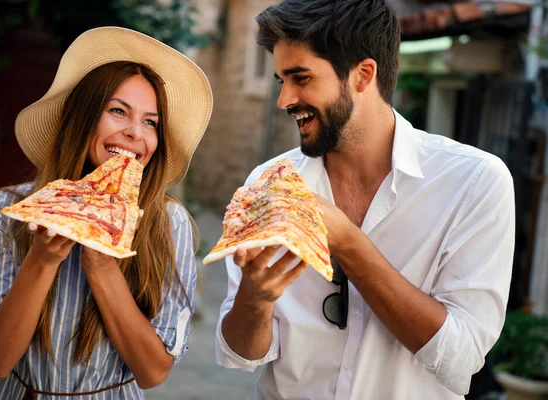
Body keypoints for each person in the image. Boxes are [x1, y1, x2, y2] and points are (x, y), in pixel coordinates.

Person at [214, 1, 515, 399]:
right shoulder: (268, 183)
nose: (283, 100)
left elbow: (461, 358)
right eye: (280, 81)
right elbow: (241, 357)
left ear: (363, 75)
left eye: (300, 78)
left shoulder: (474, 182)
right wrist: (256, 298)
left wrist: (348, 243)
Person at [0, 26, 213, 398]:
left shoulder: (168, 223)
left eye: (150, 122)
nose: (135, 133)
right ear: (82, 118)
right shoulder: (10, 209)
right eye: (118, 111)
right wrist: (42, 260)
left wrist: (101, 263)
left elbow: (153, 372)